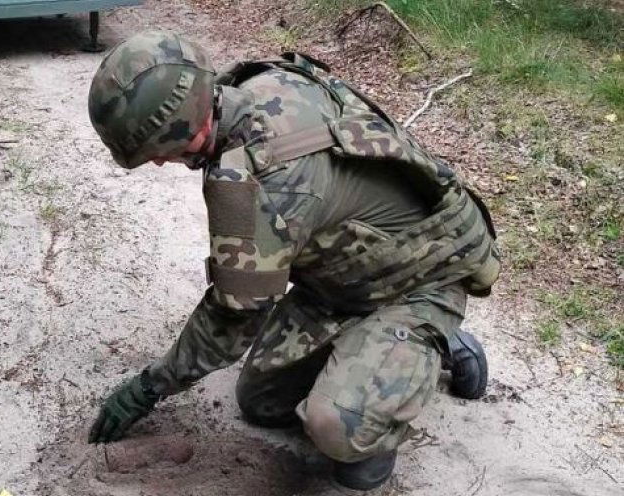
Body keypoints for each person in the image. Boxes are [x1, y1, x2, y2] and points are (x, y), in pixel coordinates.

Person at [85, 30, 499, 491]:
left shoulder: (256, 183)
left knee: (338, 426)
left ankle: (434, 338)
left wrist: (149, 386)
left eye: (157, 152)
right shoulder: (255, 86)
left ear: (187, 127)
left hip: (419, 277)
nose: (159, 164)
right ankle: (371, 348)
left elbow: (233, 317)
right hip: (340, 277)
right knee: (260, 402)